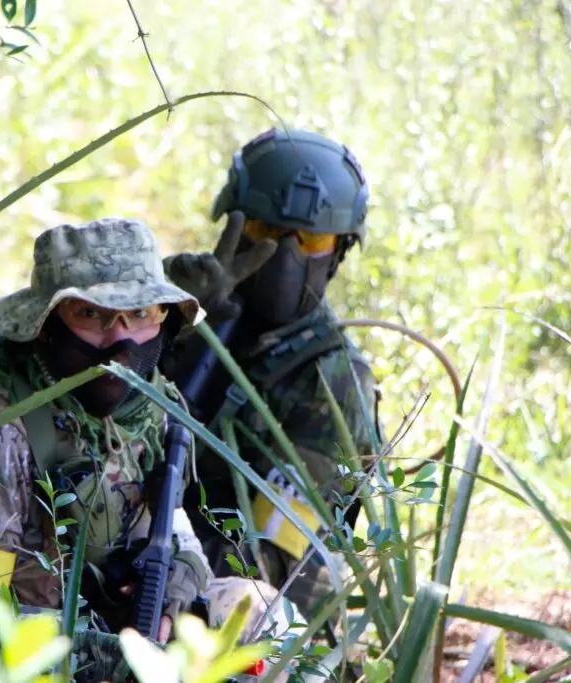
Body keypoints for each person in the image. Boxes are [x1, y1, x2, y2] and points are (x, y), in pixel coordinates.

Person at [0, 218, 297, 680]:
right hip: (31, 653)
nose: (120, 340)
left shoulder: (152, 408)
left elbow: (177, 531)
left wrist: (177, 585)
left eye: (140, 314)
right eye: (91, 315)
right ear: (46, 326)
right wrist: (108, 655)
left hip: (130, 628)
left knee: (271, 615)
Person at [163, 127, 381, 619]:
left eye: (312, 239)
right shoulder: (194, 324)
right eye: (264, 230)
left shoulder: (333, 381)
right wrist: (159, 319)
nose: (286, 255)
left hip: (246, 623)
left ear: (340, 250)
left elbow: (270, 563)